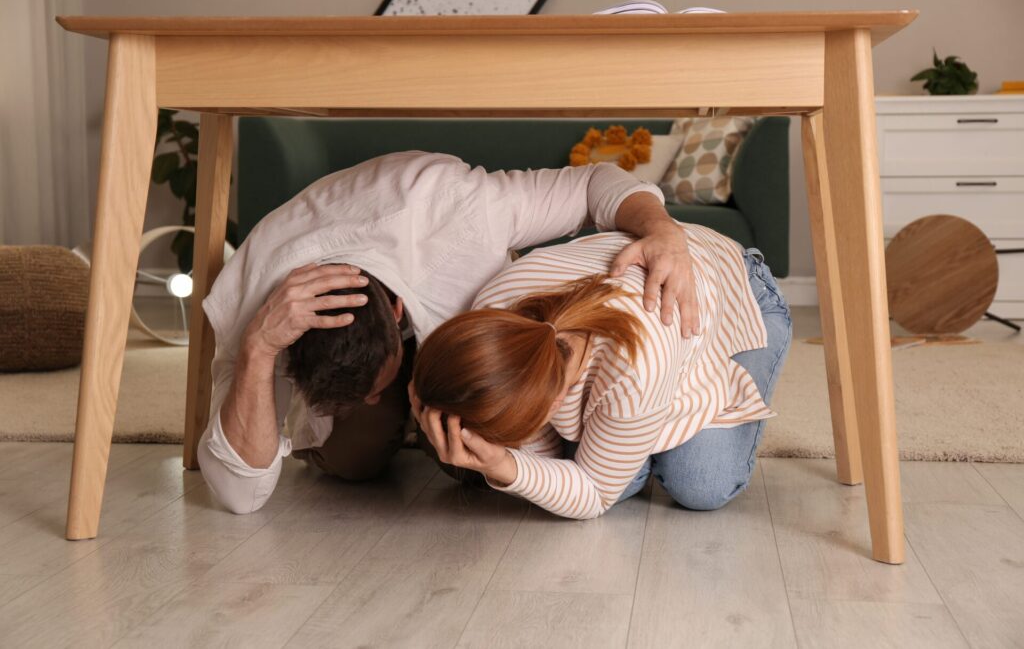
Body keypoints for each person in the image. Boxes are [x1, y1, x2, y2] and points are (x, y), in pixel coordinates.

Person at [197, 150, 702, 514]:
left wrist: (662, 230)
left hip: (445, 296)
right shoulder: (258, 301)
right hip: (311, 311)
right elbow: (240, 495)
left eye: (376, 388)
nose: (376, 399)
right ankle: (370, 426)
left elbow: (595, 182)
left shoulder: (459, 209)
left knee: (471, 464)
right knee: (354, 463)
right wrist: (259, 349)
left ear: (395, 310)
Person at [412, 225, 791, 518]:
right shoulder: (492, 309)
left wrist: (506, 466)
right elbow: (548, 462)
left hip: (738, 292)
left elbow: (594, 492)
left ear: (556, 399)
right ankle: (639, 434)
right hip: (652, 324)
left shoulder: (636, 366)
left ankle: (645, 429)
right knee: (613, 475)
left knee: (700, 485)